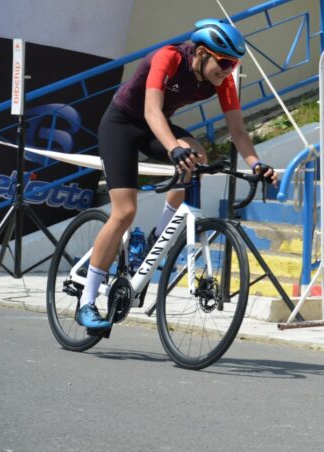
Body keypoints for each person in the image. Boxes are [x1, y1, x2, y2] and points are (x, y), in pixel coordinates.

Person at [75, 18, 278, 330]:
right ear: (202, 53)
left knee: (197, 155)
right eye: (224, 63)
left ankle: (158, 235)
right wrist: (173, 148)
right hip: (122, 125)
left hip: (156, 128)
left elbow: (238, 130)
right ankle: (87, 302)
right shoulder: (168, 57)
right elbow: (151, 111)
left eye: (234, 65)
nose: (228, 71)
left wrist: (255, 164)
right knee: (125, 211)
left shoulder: (222, 81)